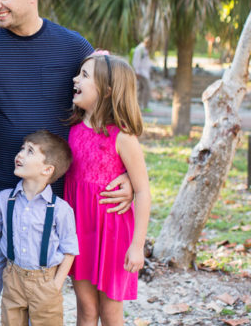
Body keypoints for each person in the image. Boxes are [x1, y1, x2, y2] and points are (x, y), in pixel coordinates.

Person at [0, 0, 135, 326]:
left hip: (54, 203)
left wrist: (130, 177)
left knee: (48, 305)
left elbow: (107, 107)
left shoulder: (73, 48)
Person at [66, 52, 151, 326]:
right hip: (79, 233)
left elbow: (143, 191)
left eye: (85, 75)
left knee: (111, 314)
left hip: (112, 235)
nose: (75, 79)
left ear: (107, 91)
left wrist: (137, 246)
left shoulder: (123, 136)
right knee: (86, 311)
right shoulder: (73, 128)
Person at [0, 130, 79, 326]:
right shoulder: (3, 199)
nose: (19, 154)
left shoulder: (60, 210)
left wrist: (55, 287)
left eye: (29, 151)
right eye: (22, 149)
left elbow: (70, 250)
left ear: (47, 169)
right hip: (13, 279)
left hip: (45, 282)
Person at [131, 37, 152, 110]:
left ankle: (139, 106)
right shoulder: (140, 49)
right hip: (141, 72)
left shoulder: (145, 49)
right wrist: (136, 71)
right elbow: (135, 61)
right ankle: (145, 106)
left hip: (145, 72)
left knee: (141, 88)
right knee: (147, 88)